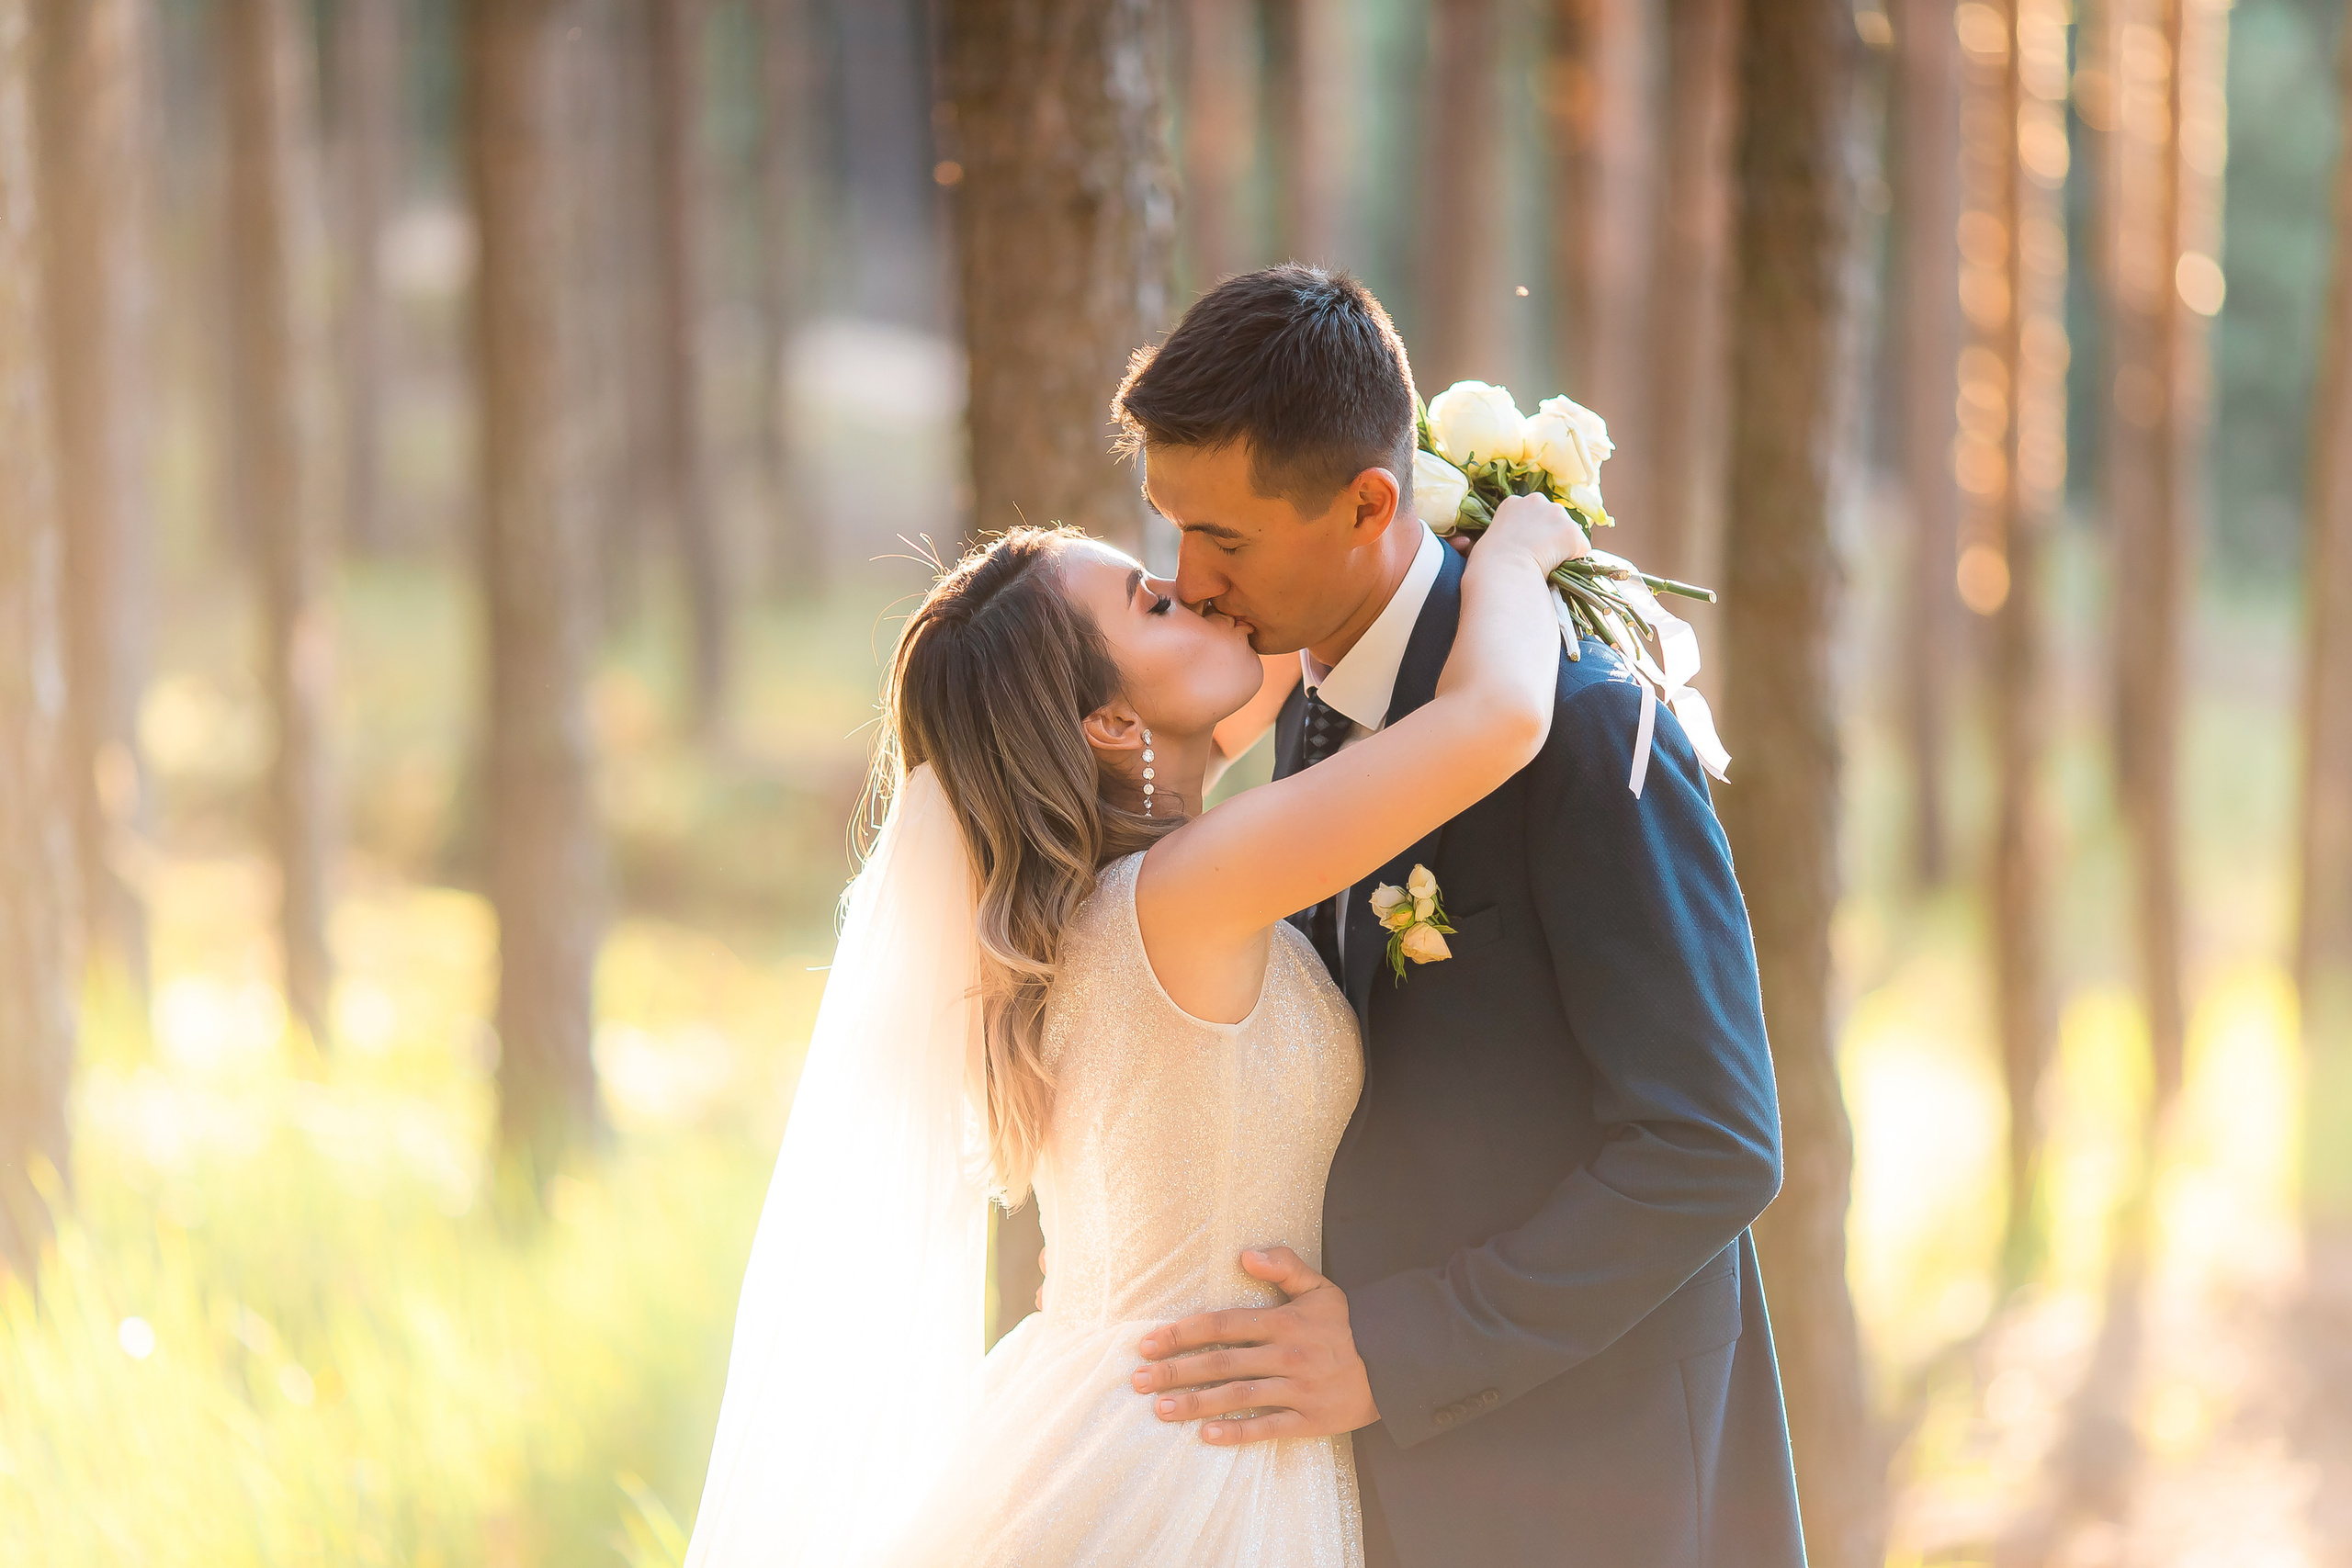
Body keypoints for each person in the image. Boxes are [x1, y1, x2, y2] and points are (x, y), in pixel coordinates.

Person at [681, 483, 1590, 1559]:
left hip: (1132, 1409)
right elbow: (1497, 719)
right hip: (1183, 1458)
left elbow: (1258, 669)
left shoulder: (1093, 901)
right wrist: (1515, 550)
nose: (1190, 590)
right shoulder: (1181, 895)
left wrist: (1368, 518)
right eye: (1153, 605)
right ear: (1112, 723)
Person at [1105, 265, 1806, 1568]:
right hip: (1373, 1492)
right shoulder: (1312, 698)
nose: (1190, 582)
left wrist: (1397, 1346)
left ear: (1370, 504)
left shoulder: (1587, 728)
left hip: (1596, 1489)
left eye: (1226, 541)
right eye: (1173, 531)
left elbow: (1711, 1143)